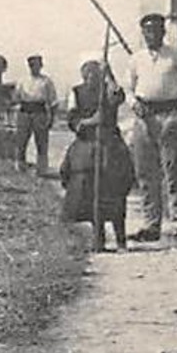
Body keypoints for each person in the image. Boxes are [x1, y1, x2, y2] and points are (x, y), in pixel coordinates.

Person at [125, 13, 177, 242]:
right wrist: (134, 104)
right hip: (145, 117)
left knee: (173, 169)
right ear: (143, 33)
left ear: (163, 32)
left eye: (156, 30)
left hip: (170, 116)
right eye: (147, 30)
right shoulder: (136, 60)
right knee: (146, 172)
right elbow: (128, 88)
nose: (152, 34)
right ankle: (151, 223)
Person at [60, 56, 135, 251]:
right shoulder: (76, 92)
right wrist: (91, 121)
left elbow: (119, 97)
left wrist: (110, 74)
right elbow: (72, 120)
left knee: (115, 188)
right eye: (88, 74)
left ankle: (121, 240)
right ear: (83, 75)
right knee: (89, 189)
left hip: (110, 143)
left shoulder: (108, 90)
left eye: (96, 73)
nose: (91, 77)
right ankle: (98, 239)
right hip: (87, 142)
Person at [12, 54, 60, 174]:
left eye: (37, 65)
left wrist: (51, 119)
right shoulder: (22, 80)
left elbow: (53, 101)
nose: (34, 68)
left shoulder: (46, 81)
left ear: (41, 66)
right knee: (21, 140)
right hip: (24, 112)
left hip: (40, 112)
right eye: (32, 65)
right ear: (29, 66)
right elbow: (16, 98)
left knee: (41, 141)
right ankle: (20, 166)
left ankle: (42, 168)